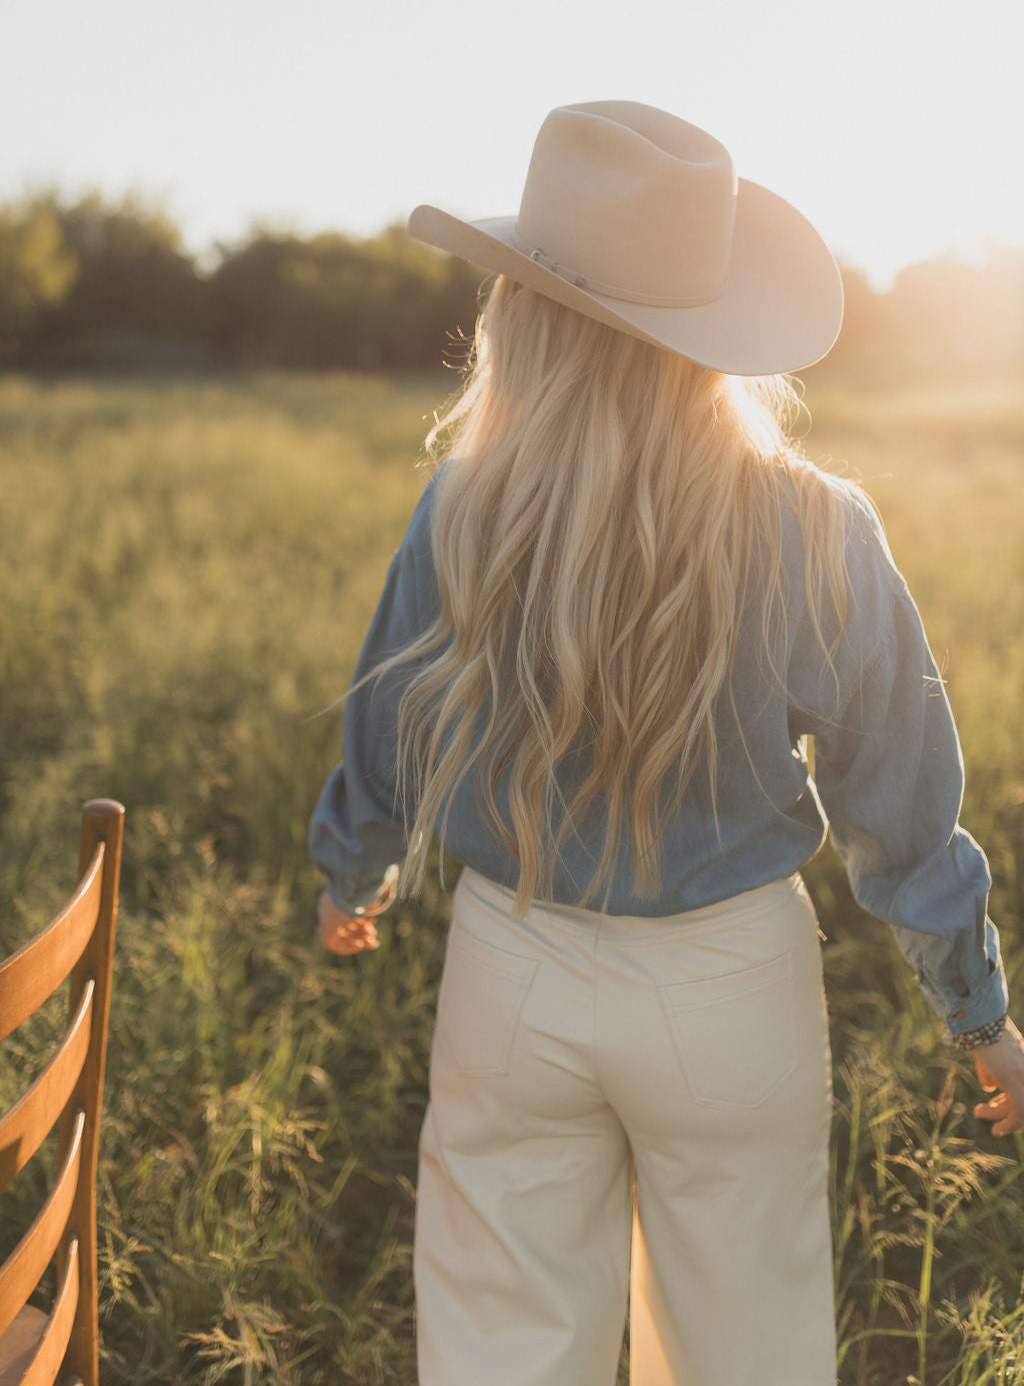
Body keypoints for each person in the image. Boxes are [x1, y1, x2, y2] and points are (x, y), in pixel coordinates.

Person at [308, 101, 1023, 1386]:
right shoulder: (819, 526)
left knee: (500, 1344)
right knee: (747, 1346)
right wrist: (977, 1016)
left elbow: (389, 713)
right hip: (727, 985)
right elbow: (899, 800)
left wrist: (351, 870)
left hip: (511, 958)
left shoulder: (466, 503)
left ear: (519, 311)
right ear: (716, 332)